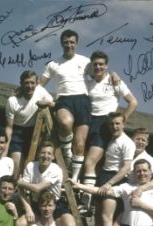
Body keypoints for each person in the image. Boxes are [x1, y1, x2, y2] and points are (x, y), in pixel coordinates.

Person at [39, 30, 119, 179]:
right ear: (61, 43)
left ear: (76, 43)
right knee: (65, 122)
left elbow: (101, 71)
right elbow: (40, 84)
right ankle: (67, 153)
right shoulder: (53, 64)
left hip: (83, 101)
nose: (69, 45)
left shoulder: (85, 61)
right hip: (64, 99)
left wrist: (114, 74)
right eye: (66, 42)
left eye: (72, 42)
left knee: (80, 145)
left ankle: (74, 177)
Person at [80, 50, 138, 210]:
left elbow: (133, 102)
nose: (98, 67)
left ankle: (86, 201)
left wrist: (120, 120)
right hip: (88, 121)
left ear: (106, 66)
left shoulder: (114, 81)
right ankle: (85, 197)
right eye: (95, 64)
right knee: (83, 160)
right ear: (91, 65)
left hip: (104, 124)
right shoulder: (87, 81)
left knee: (89, 162)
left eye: (101, 64)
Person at [14, 141, 77, 226]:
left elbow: (38, 188)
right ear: (39, 154)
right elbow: (21, 191)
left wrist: (20, 182)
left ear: (53, 157)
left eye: (49, 153)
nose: (45, 156)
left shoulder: (56, 169)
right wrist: (28, 208)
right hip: (37, 204)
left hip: (56, 204)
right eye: (43, 152)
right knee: (20, 225)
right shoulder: (31, 166)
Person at [90, 111, 135, 226]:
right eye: (112, 124)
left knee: (106, 217)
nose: (114, 126)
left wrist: (110, 183)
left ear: (123, 124)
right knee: (100, 217)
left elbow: (126, 168)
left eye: (117, 123)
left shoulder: (127, 142)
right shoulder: (111, 139)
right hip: (104, 175)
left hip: (114, 179)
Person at [5, 70, 55, 179]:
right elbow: (9, 128)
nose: (30, 86)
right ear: (21, 84)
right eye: (26, 83)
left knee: (30, 165)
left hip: (34, 132)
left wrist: (48, 102)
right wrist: (5, 150)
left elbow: (54, 104)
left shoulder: (41, 91)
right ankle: (14, 190)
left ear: (36, 83)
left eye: (32, 83)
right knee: (16, 166)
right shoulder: (12, 100)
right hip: (17, 132)